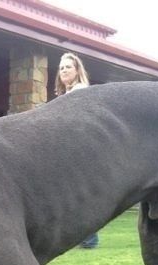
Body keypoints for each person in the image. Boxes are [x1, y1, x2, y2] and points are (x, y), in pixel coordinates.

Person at [55, 52, 100, 249]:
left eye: (68, 67)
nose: (64, 70)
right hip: (68, 151)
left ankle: (89, 239)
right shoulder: (66, 94)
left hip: (79, 152)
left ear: (77, 70)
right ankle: (80, 238)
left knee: (81, 196)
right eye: (61, 68)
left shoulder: (81, 91)